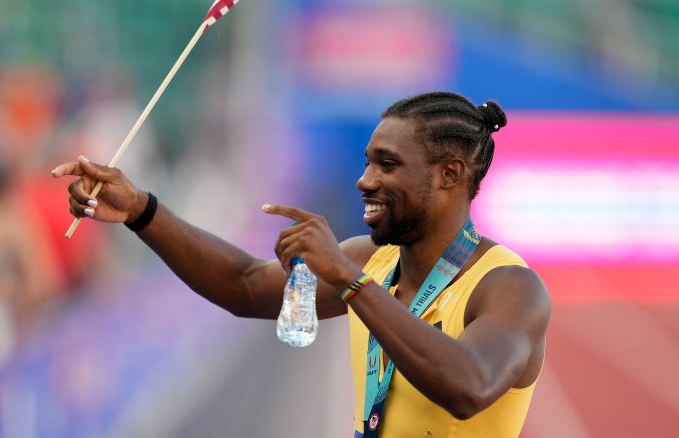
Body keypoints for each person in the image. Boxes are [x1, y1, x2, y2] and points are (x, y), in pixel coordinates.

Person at [52, 92, 550, 437]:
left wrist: (351, 283)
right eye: (366, 162)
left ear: (449, 175)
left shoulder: (509, 287)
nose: (364, 180)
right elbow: (243, 286)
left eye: (387, 164)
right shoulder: (370, 260)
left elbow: (469, 386)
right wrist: (142, 210)